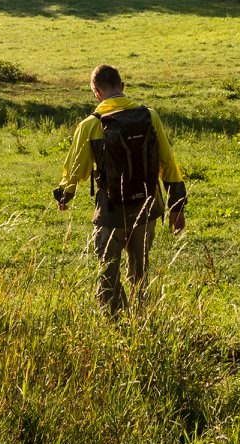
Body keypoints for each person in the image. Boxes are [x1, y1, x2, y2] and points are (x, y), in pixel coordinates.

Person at [52, 64, 187, 314]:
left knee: (107, 271)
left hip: (111, 212)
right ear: (122, 87)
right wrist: (177, 206)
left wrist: (65, 195)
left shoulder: (90, 125)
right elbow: (168, 162)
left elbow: (75, 170)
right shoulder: (150, 116)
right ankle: (141, 319)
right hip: (146, 208)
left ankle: (115, 323)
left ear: (96, 91)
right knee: (140, 271)